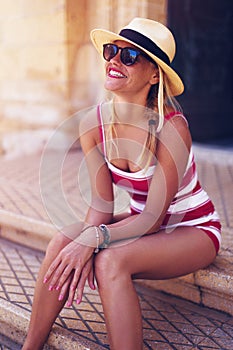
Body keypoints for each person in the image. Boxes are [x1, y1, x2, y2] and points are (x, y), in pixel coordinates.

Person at [22, 17, 221, 350]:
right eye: (112, 51)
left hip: (191, 229)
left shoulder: (173, 129)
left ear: (154, 74)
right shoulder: (93, 123)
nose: (114, 60)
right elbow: (102, 203)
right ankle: (31, 346)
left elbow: (154, 218)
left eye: (130, 57)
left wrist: (95, 241)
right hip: (141, 224)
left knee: (110, 260)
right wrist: (83, 239)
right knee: (62, 241)